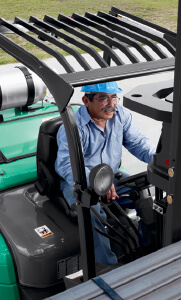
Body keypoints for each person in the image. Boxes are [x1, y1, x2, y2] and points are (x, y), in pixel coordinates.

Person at [55, 81, 156, 265]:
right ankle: (105, 268)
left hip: (113, 177)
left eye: (113, 97)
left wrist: (160, 159)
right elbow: (65, 164)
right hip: (79, 181)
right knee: (90, 211)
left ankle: (150, 249)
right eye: (103, 99)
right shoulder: (73, 127)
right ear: (86, 100)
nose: (111, 104)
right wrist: (98, 181)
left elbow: (139, 143)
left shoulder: (121, 116)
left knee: (144, 192)